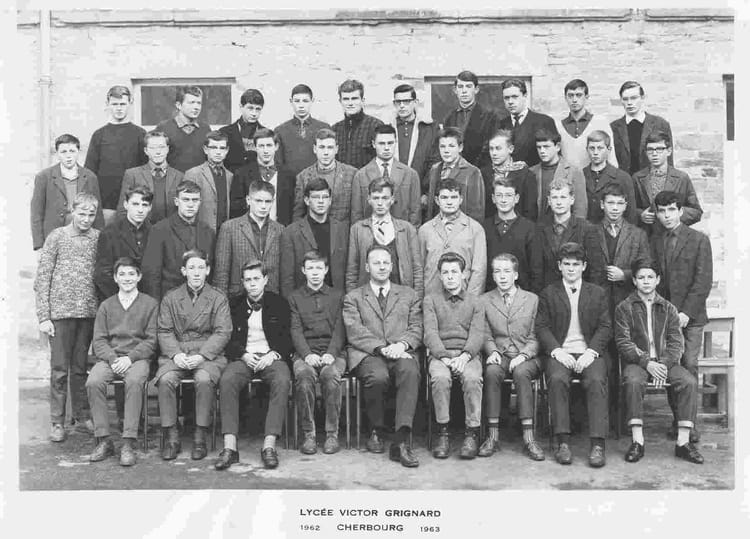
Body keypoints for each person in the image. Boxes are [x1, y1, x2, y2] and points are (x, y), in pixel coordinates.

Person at [615, 259, 703, 464]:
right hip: (638, 362)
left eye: (650, 277)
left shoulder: (669, 308)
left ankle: (683, 442)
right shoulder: (624, 308)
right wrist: (647, 363)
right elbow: (623, 342)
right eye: (641, 277)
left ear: (658, 280)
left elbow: (676, 343)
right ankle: (637, 441)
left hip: (666, 363)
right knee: (633, 381)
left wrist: (662, 365)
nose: (646, 281)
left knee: (688, 381)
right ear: (634, 281)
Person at [343, 245, 423, 468]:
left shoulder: (409, 294)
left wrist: (402, 344)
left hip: (401, 350)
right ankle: (376, 430)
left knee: (410, 371)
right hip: (369, 353)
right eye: (376, 263)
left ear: (392, 266)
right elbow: (354, 330)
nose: (381, 267)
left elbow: (417, 326)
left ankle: (401, 439)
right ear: (367, 267)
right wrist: (381, 348)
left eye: (385, 262)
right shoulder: (353, 297)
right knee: (377, 376)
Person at [535, 242, 611, 468]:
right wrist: (557, 351)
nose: (571, 269)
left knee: (596, 380)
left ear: (584, 266)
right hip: (561, 352)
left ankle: (597, 445)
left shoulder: (597, 293)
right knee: (557, 379)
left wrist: (592, 351)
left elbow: (605, 326)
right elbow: (542, 327)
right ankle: (563, 442)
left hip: (589, 352)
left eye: (576, 264)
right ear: (559, 266)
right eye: (566, 264)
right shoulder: (549, 293)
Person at [34, 192, 101, 442]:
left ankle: (82, 415)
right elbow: (43, 278)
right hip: (60, 315)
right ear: (73, 211)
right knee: (60, 369)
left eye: (91, 215)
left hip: (87, 313)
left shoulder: (98, 238)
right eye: (81, 213)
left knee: (80, 369)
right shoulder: (57, 236)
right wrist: (44, 316)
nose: (86, 219)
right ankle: (57, 421)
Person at [214, 260, 292, 470]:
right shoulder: (233, 305)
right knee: (227, 380)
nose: (252, 284)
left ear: (265, 280)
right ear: (242, 282)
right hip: (245, 357)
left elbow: (288, 338)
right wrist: (243, 354)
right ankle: (230, 447)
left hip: (271, 357)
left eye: (257, 279)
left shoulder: (279, 303)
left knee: (282, 380)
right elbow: (227, 338)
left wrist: (273, 354)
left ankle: (269, 446)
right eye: (248, 280)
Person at [155, 249, 231, 461]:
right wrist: (175, 354)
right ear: (183, 271)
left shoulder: (218, 298)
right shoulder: (171, 297)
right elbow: (164, 330)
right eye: (191, 268)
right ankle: (172, 437)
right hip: (178, 352)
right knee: (166, 380)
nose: (196, 272)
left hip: (207, 355)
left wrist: (203, 355)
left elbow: (223, 332)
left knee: (204, 380)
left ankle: (200, 437)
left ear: (208, 270)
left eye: (200, 267)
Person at [651, 190, 712, 443]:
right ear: (657, 214)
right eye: (661, 211)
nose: (667, 216)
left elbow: (703, 280)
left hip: (691, 318)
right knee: (671, 366)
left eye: (671, 210)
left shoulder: (699, 240)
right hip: (666, 317)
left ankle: (690, 425)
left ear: (680, 211)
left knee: (689, 364)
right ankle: (678, 421)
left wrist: (686, 312)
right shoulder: (655, 240)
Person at [87, 257, 158, 466]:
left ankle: (128, 442)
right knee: (93, 381)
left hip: (137, 358)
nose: (127, 278)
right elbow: (99, 340)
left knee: (134, 382)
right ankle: (104, 440)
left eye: (131, 274)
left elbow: (152, 340)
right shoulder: (106, 306)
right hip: (111, 358)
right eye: (122, 274)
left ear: (139, 277)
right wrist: (113, 358)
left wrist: (130, 358)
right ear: (115, 278)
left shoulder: (150, 304)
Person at [479, 253, 544, 461]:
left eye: (507, 271)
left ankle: (529, 438)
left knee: (522, 373)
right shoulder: (484, 300)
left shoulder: (532, 299)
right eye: (497, 271)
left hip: (527, 356)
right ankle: (492, 436)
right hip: (500, 354)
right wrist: (492, 352)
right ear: (493, 275)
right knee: (491, 372)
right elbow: (485, 333)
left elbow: (537, 335)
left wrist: (524, 355)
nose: (502, 276)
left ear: (515, 275)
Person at [423, 252, 484, 459]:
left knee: (472, 379)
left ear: (463, 274)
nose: (450, 276)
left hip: (468, 355)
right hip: (441, 355)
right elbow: (430, 333)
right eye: (445, 272)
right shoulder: (431, 300)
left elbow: (477, 334)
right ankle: (443, 433)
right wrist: (444, 357)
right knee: (440, 378)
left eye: (454, 272)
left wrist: (464, 357)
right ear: (440, 276)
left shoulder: (476, 302)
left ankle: (471, 433)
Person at [288, 251, 347, 455]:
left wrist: (332, 352)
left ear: (326, 270)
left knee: (330, 375)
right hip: (305, 352)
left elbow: (340, 328)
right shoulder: (295, 297)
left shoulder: (337, 296)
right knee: (304, 376)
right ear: (303, 270)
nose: (315, 272)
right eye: (310, 268)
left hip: (333, 352)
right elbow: (295, 330)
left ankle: (332, 434)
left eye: (319, 268)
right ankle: (309, 434)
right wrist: (306, 354)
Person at [141, 180, 216, 301]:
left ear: (200, 202)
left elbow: (210, 272)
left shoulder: (208, 232)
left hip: (201, 301)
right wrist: (156, 305)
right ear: (176, 201)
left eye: (195, 200)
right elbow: (151, 274)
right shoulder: (160, 230)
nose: (190, 204)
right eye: (186, 199)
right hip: (169, 300)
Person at [346, 178, 423, 295]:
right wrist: (353, 300)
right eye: (376, 198)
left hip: (402, 295)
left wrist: (416, 299)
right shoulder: (358, 229)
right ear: (369, 199)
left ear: (392, 199)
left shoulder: (407, 229)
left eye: (385, 198)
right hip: (368, 297)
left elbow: (417, 269)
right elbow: (352, 271)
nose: (380, 203)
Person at [85, 85, 147, 224]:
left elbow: (145, 170)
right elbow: (90, 172)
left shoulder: (140, 134)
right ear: (107, 104)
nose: (119, 108)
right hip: (106, 205)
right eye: (115, 104)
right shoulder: (99, 135)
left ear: (130, 104)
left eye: (123, 104)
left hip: (134, 203)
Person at [30, 134, 104, 250]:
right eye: (63, 152)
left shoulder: (90, 177)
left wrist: (101, 243)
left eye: (72, 151)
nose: (68, 156)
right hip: (53, 238)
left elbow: (97, 213)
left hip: (83, 236)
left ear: (78, 152)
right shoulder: (44, 177)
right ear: (57, 154)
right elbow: (36, 214)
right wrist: (39, 246)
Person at [214, 179, 284, 298]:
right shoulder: (230, 228)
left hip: (271, 296)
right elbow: (221, 272)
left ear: (273, 202)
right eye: (258, 201)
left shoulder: (280, 230)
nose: (263, 206)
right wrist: (221, 303)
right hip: (238, 296)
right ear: (248, 200)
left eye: (267, 201)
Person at [280, 178, 349, 297]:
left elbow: (349, 270)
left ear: (330, 200)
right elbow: (287, 277)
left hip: (336, 299)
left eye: (325, 197)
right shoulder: (291, 232)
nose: (321, 201)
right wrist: (290, 303)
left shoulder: (342, 230)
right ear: (307, 200)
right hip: (304, 300)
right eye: (316, 197)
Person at [419, 178, 486, 297]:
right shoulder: (425, 230)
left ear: (461, 199)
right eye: (444, 197)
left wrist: (470, 301)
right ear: (437, 200)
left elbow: (479, 270)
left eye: (454, 197)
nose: (449, 202)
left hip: (463, 296)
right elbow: (420, 268)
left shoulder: (475, 229)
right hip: (432, 297)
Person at [350, 124, 422, 227]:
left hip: (401, 233)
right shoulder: (361, 176)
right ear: (373, 144)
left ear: (396, 143)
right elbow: (357, 215)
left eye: (390, 143)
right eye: (381, 143)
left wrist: (409, 235)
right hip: (371, 233)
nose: (387, 148)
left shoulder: (410, 174)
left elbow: (415, 214)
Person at [633, 131, 703, 236]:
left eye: (659, 149)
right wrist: (640, 215)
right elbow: (629, 208)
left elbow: (696, 212)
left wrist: (676, 214)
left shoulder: (681, 178)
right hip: (647, 236)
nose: (654, 154)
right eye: (650, 150)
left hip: (674, 236)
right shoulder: (637, 178)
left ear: (669, 151)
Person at [95, 186, 153, 300]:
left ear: (150, 207)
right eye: (135, 204)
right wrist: (123, 298)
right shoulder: (109, 233)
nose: (140, 210)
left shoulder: (155, 232)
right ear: (126, 205)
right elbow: (103, 274)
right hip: (117, 299)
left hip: (146, 300)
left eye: (144, 205)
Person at [483, 178, 541, 293]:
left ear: (516, 198)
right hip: (490, 295)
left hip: (521, 294)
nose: (503, 200)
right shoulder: (484, 228)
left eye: (508, 195)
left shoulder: (529, 228)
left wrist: (532, 296)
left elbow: (536, 269)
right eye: (499, 195)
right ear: (493, 198)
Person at [535, 179, 592, 291]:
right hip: (548, 291)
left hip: (577, 291)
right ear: (549, 201)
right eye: (555, 197)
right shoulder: (539, 228)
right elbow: (537, 267)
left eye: (563, 197)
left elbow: (592, 268)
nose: (559, 202)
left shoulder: (586, 228)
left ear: (572, 200)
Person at [388, 83, 440, 205]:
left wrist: (427, 192)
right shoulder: (388, 128)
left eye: (406, 101)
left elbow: (434, 161)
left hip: (420, 193)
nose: (402, 106)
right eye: (398, 102)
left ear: (415, 102)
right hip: (393, 194)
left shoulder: (429, 128)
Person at [118, 130, 184, 224]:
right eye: (153, 148)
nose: (158, 152)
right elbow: (123, 210)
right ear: (146, 151)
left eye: (161, 147)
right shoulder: (132, 175)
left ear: (167, 149)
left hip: (170, 230)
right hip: (141, 229)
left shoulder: (179, 176)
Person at [231, 128, 295, 225]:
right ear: (255, 147)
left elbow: (292, 207)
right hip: (251, 229)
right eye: (261, 146)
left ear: (276, 146)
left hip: (282, 229)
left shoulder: (288, 175)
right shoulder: (242, 174)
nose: (265, 150)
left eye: (269, 145)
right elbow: (236, 207)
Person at [293, 128, 357, 223]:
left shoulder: (352, 174)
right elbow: (298, 214)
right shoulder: (303, 177)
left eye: (330, 147)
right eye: (322, 147)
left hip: (343, 230)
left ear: (336, 149)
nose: (326, 153)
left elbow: (356, 213)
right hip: (313, 230)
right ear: (315, 149)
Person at [610, 81, 674, 175]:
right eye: (625, 99)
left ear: (642, 98)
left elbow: (669, 160)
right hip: (624, 181)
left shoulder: (660, 124)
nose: (629, 103)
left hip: (652, 180)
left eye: (634, 98)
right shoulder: (614, 127)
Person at [441, 70, 500, 168]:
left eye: (468, 86)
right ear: (455, 90)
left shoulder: (489, 117)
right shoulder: (449, 118)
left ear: (476, 89)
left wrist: (472, 170)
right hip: (454, 170)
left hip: (480, 170)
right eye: (460, 87)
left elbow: (489, 148)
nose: (464, 91)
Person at [554, 79, 618, 170]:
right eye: (570, 95)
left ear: (586, 97)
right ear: (565, 98)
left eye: (579, 95)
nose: (574, 100)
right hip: (569, 177)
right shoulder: (558, 126)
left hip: (595, 176)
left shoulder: (600, 122)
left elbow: (611, 157)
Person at [425, 127, 485, 222]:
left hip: (460, 227)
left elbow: (476, 212)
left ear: (460, 148)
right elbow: (431, 207)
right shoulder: (434, 169)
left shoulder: (472, 172)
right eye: (442, 146)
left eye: (451, 146)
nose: (446, 150)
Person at [529, 128, 587, 220]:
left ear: (557, 147)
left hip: (564, 226)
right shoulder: (531, 172)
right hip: (536, 226)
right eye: (539, 147)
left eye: (546, 146)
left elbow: (580, 209)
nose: (542, 151)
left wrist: (574, 228)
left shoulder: (573, 172)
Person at [274, 84, 331, 178]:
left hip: (318, 181)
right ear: (291, 102)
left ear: (312, 101)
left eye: (305, 101)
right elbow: (278, 164)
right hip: (290, 182)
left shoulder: (323, 128)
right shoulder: (280, 131)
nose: (301, 105)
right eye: (297, 101)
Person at [498, 78, 558, 167]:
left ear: (525, 96)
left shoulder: (544, 122)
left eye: (515, 97)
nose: (510, 102)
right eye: (506, 98)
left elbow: (554, 157)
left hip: (535, 174)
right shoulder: (500, 125)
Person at [480, 129, 537, 220]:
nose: (494, 153)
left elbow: (530, 211)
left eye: (498, 148)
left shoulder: (526, 175)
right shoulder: (483, 174)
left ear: (510, 149)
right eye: (491, 149)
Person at [184, 130, 234, 233]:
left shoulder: (230, 176)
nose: (218, 152)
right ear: (206, 149)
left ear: (227, 150)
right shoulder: (193, 174)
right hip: (200, 232)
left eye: (222, 148)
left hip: (224, 232)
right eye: (214, 147)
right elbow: (186, 208)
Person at [583, 130, 637, 224]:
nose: (595, 152)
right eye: (592, 148)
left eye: (600, 148)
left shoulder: (622, 177)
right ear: (587, 149)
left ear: (609, 149)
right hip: (586, 229)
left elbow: (631, 214)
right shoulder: (580, 175)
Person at [156, 86, 211, 173]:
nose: (196, 107)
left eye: (199, 103)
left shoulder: (205, 129)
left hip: (199, 180)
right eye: (191, 102)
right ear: (178, 105)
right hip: (173, 180)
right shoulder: (163, 128)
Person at [331, 79, 384, 169]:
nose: (350, 103)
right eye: (346, 99)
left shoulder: (375, 126)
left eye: (354, 99)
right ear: (340, 101)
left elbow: (383, 160)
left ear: (362, 100)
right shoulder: (335, 129)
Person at [219, 88, 267, 172]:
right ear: (241, 107)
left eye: (258, 109)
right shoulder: (225, 133)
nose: (254, 113)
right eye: (250, 108)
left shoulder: (266, 134)